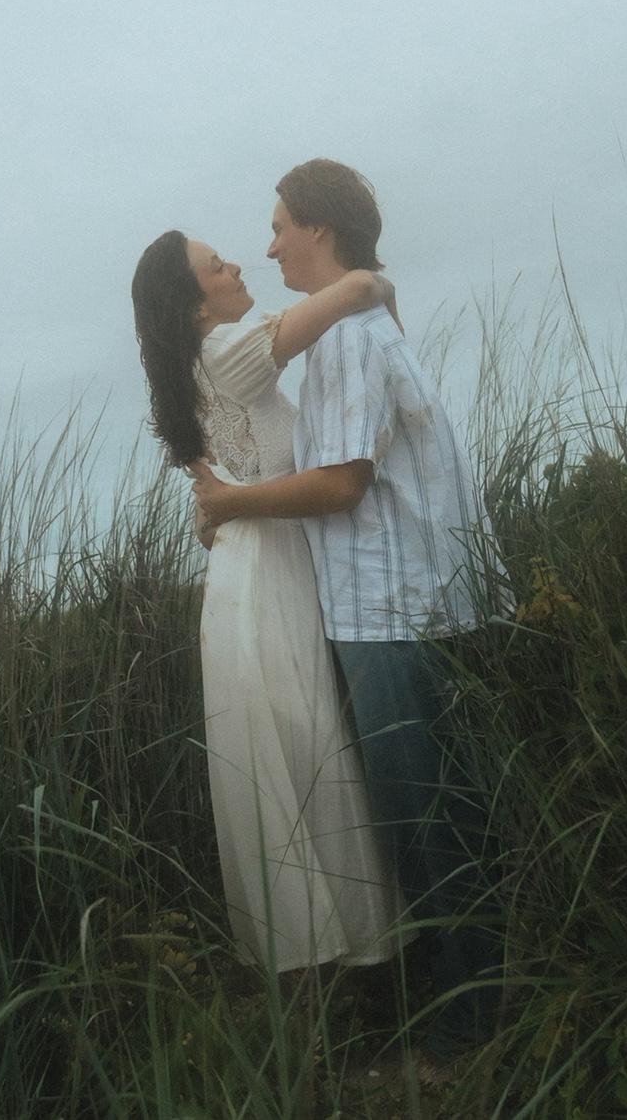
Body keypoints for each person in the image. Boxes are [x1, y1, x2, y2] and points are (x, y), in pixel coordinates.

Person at [190, 159, 500, 1052]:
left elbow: (341, 484)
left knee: (426, 821)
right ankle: (463, 1005)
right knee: (435, 810)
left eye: (279, 227)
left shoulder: (346, 341)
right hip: (403, 599)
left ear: (318, 228)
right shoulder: (355, 327)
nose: (269, 247)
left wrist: (229, 503)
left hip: (390, 606)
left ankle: (468, 1028)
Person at [131, 229, 412, 974]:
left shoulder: (195, 369)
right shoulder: (227, 350)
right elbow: (356, 289)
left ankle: (325, 965)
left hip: (248, 572)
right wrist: (379, 293)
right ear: (195, 307)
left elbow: (223, 490)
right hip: (269, 576)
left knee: (293, 751)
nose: (237, 266)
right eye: (215, 266)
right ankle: (354, 960)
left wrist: (220, 511)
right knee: (312, 748)